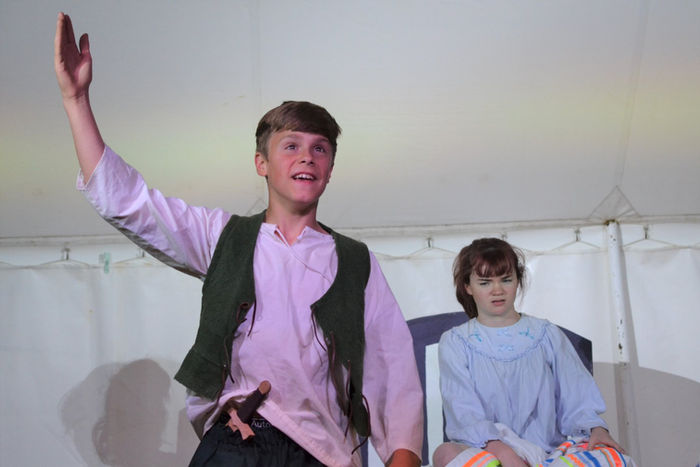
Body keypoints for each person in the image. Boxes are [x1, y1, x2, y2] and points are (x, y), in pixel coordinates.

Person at [54, 12, 423, 467]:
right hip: (237, 443)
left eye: (320, 148)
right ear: (261, 163)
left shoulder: (354, 262)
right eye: (291, 145)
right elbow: (129, 201)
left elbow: (394, 372)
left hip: (323, 453)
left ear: (330, 169)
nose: (307, 157)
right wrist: (76, 100)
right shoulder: (223, 237)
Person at [432, 238, 635, 467]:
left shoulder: (546, 334)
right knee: (446, 453)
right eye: (485, 282)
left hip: (552, 455)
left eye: (506, 279)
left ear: (518, 280)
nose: (497, 290)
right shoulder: (456, 342)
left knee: (614, 459)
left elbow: (578, 396)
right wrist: (505, 453)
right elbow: (464, 413)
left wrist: (596, 429)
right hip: (490, 453)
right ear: (468, 287)